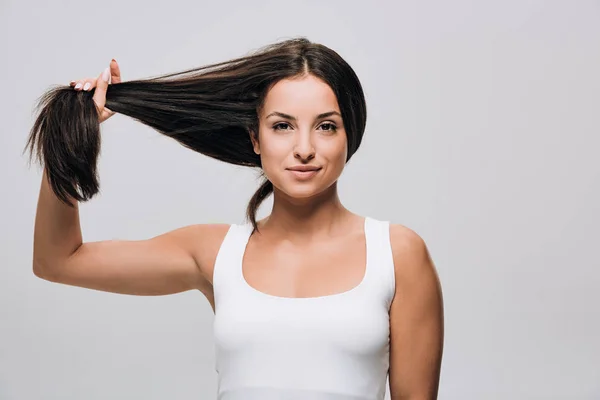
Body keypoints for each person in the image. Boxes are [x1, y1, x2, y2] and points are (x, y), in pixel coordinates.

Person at [28, 38, 444, 399]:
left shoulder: (397, 254)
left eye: (326, 127)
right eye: (282, 126)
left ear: (349, 135)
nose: (304, 148)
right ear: (255, 137)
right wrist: (68, 138)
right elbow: (58, 260)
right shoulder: (215, 253)